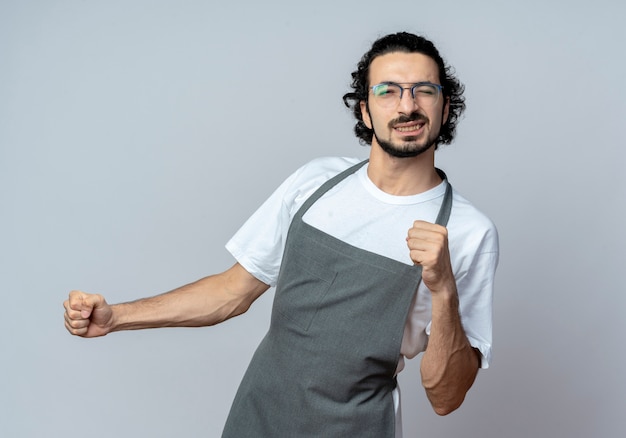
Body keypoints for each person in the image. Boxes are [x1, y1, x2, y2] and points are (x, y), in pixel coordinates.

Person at [64, 31, 499, 438]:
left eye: (424, 89)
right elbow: (232, 292)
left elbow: (447, 397)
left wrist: (443, 290)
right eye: (387, 91)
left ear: (445, 106)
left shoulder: (467, 232)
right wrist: (117, 317)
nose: (407, 106)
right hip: (259, 416)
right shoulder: (314, 183)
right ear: (365, 109)